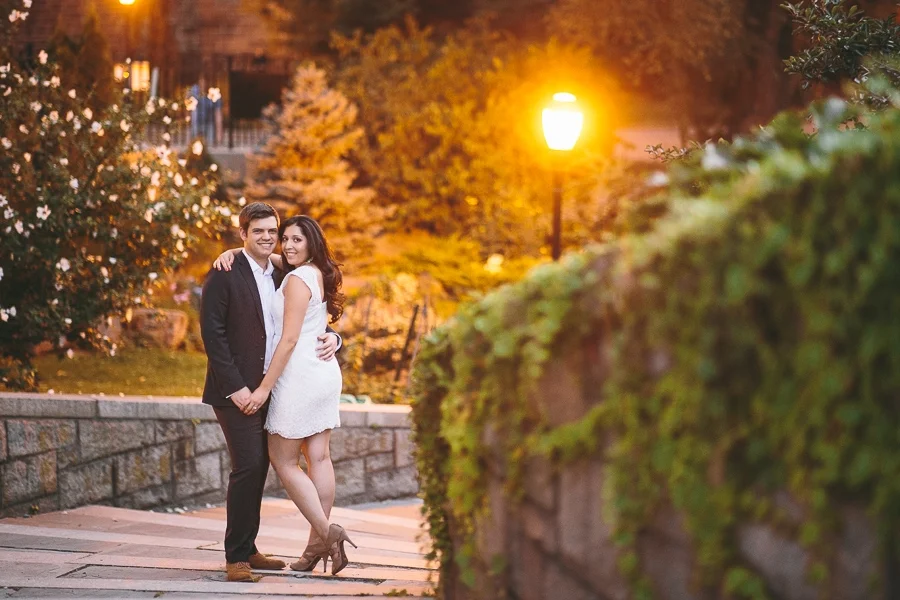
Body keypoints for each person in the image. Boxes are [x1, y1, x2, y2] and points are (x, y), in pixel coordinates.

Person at [200, 202, 342, 582]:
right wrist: (238, 390)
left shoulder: (284, 269)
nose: (267, 238)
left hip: (275, 385)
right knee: (249, 465)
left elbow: (310, 317)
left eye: (272, 232)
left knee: (263, 465)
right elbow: (213, 338)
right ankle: (237, 559)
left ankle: (248, 547)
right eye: (257, 231)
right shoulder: (224, 273)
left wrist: (334, 336)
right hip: (239, 390)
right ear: (242, 232)